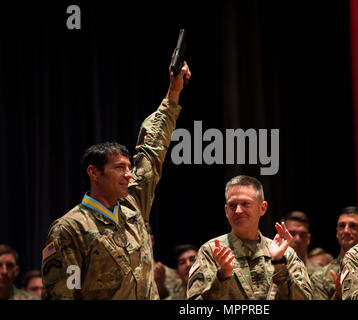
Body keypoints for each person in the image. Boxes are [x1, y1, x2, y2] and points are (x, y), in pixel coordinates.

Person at [41, 58, 191, 299]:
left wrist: (173, 91)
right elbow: (64, 294)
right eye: (119, 168)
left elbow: (152, 150)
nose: (128, 174)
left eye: (129, 167)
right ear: (94, 173)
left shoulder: (133, 205)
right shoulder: (70, 229)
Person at [187, 175, 313, 300]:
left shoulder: (285, 254)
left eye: (245, 204)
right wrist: (222, 276)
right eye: (232, 205)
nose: (238, 211)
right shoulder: (211, 251)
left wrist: (279, 264)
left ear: (262, 208)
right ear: (226, 211)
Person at [310, 206, 358, 300]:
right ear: (337, 232)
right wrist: (338, 297)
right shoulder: (321, 277)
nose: (346, 231)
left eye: (353, 226)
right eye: (342, 226)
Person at [283, 211, 321, 276]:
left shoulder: (320, 273)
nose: (297, 239)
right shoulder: (271, 269)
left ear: (308, 239)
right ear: (282, 236)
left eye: (302, 235)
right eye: (292, 234)